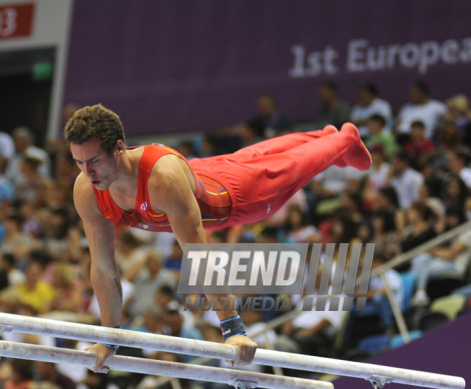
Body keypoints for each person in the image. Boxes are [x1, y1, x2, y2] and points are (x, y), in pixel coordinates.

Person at [66, 104, 371, 372]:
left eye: (93, 160)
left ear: (119, 147)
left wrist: (233, 328)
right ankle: (323, 136)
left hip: (236, 199)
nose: (87, 172)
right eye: (78, 162)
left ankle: (345, 139)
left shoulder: (161, 180)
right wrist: (108, 340)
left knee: (287, 169)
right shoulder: (87, 190)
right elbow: (104, 268)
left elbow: (199, 257)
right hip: (200, 174)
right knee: (253, 154)